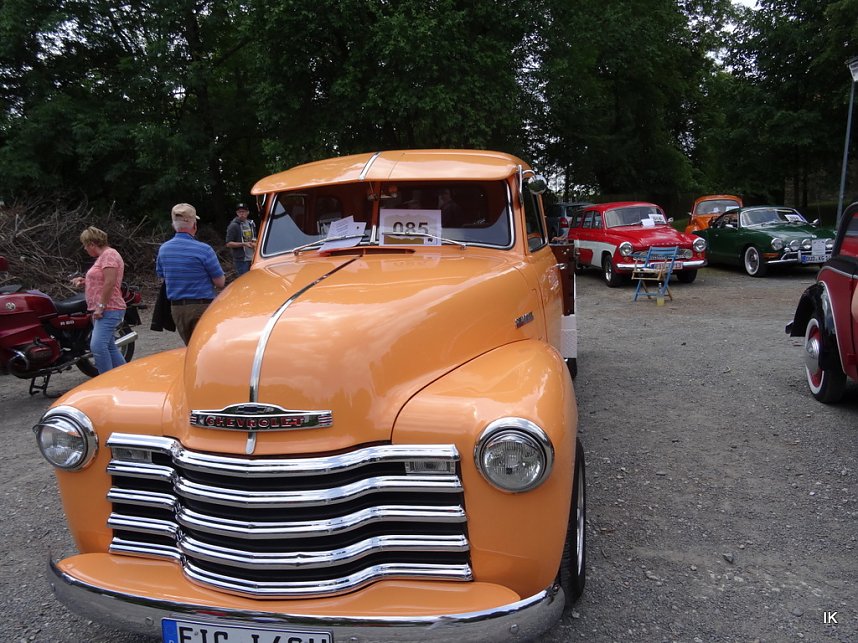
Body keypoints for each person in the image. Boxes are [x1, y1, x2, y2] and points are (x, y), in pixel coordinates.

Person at [156, 203, 225, 345]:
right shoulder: (204, 249)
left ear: (173, 225)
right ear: (194, 225)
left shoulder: (164, 250)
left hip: (177, 309)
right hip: (202, 306)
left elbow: (161, 275)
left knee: (191, 347)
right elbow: (220, 282)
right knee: (205, 348)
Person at [72, 227, 127, 374]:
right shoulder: (104, 257)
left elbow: (110, 282)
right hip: (105, 309)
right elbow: (102, 279)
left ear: (91, 244)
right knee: (109, 346)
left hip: (109, 308)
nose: (85, 248)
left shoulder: (109, 255)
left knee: (97, 346)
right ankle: (124, 375)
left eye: (85, 245)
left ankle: (105, 380)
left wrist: (101, 306)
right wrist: (84, 280)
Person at [225, 202, 257, 276]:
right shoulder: (233, 226)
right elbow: (228, 244)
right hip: (242, 260)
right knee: (245, 282)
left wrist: (255, 243)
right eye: (239, 212)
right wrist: (244, 244)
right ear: (237, 213)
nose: (242, 213)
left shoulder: (251, 224)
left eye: (244, 211)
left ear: (247, 212)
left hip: (254, 258)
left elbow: (254, 238)